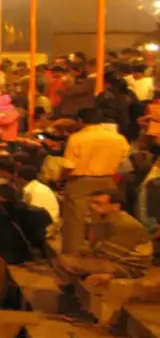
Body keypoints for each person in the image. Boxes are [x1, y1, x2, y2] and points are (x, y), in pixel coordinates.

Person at [60, 108, 130, 253]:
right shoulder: (118, 138)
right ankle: (102, 252)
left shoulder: (77, 138)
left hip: (80, 181)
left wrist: (62, 178)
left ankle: (72, 255)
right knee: (104, 219)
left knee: (75, 221)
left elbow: (69, 165)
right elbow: (124, 160)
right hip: (108, 179)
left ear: (80, 121)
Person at [54, 189, 154, 287]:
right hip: (113, 260)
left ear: (115, 206)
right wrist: (82, 253)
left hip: (129, 266)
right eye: (92, 203)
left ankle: (70, 292)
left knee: (63, 261)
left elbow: (109, 254)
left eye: (98, 203)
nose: (92, 206)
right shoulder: (105, 219)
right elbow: (96, 247)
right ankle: (74, 290)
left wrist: (84, 257)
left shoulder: (124, 224)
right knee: (70, 258)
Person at [14, 165, 60, 232]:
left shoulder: (35, 190)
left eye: (16, 176)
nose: (15, 179)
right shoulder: (34, 187)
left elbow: (35, 215)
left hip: (47, 225)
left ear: (22, 178)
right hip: (45, 221)